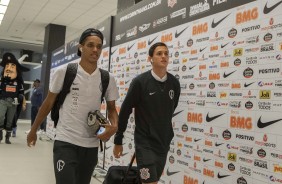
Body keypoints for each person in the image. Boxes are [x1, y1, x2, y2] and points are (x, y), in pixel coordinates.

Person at [27, 28, 119, 184]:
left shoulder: (107, 78)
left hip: (91, 145)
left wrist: (114, 126)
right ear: (80, 47)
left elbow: (111, 109)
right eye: (90, 45)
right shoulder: (64, 72)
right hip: (66, 141)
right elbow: (48, 103)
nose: (95, 49)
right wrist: (34, 129)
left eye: (99, 46)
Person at [113, 42, 181, 184]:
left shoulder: (174, 83)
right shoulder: (140, 82)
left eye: (166, 53)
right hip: (145, 143)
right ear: (150, 58)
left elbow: (170, 109)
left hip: (163, 142)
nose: (164, 56)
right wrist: (118, 139)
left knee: (153, 181)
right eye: (159, 53)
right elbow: (125, 110)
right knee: (150, 182)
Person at [0, 52, 29, 144]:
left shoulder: (19, 83)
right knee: (0, 116)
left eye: (12, 66)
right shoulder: (2, 81)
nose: (9, 69)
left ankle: (7, 137)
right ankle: (0, 133)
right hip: (3, 101)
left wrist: (20, 97)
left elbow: (21, 92)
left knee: (10, 120)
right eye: (7, 66)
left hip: (13, 103)